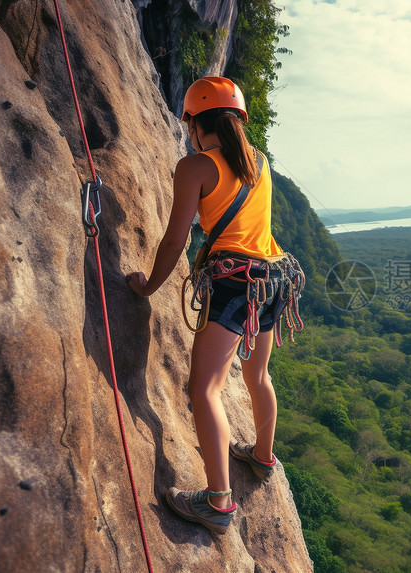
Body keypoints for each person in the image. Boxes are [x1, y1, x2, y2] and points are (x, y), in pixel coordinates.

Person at [127, 77, 293, 534]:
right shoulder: (260, 161)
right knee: (258, 374)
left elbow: (175, 239)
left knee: (204, 389)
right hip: (275, 277)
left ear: (197, 122)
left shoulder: (195, 167)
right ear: (237, 119)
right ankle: (262, 457)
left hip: (236, 283)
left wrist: (147, 288)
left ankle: (219, 503)